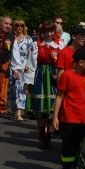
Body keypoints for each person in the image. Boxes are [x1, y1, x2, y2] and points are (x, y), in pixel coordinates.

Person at [52, 47, 85, 169]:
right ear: (81, 62)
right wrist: (55, 117)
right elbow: (59, 96)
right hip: (69, 120)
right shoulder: (67, 75)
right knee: (68, 151)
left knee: (80, 151)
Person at [28, 20, 65, 148]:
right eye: (46, 31)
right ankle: (42, 137)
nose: (49, 34)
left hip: (55, 74)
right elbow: (31, 63)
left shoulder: (60, 44)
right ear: (42, 32)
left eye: (51, 31)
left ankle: (49, 136)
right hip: (40, 75)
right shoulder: (36, 44)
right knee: (41, 110)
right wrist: (28, 81)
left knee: (52, 108)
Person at [8, 19, 37, 122]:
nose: (19, 27)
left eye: (21, 25)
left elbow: (32, 55)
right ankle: (13, 111)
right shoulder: (10, 38)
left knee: (22, 90)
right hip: (11, 67)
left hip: (23, 68)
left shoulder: (28, 40)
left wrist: (29, 66)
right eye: (17, 25)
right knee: (12, 89)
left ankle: (19, 112)